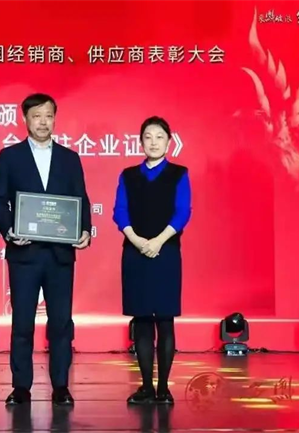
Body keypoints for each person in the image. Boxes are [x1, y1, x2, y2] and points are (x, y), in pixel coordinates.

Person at [0, 93, 92, 406]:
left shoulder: (69, 158)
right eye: (37, 116)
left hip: (60, 255)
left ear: (54, 118)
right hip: (25, 254)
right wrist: (10, 230)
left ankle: (61, 386)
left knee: (61, 323)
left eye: (48, 116)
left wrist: (84, 230)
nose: (43, 122)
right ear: (25, 119)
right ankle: (21, 387)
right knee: (22, 323)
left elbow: (81, 198)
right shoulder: (9, 157)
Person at [112, 116, 192, 405]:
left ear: (169, 142)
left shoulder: (179, 173)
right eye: (148, 137)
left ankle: (163, 389)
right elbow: (120, 212)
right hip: (135, 252)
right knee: (142, 320)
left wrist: (157, 241)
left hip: (165, 252)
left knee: (165, 321)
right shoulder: (128, 175)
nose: (154, 142)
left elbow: (183, 212)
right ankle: (146, 386)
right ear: (140, 142)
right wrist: (138, 241)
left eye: (159, 137)